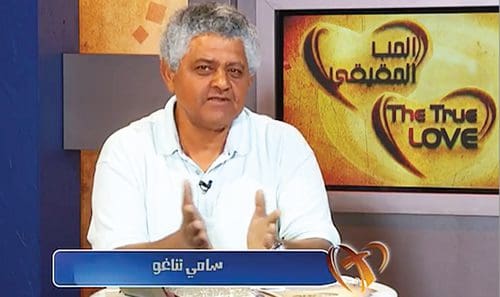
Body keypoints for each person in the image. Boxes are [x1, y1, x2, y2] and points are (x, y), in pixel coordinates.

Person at [87, 2, 340, 251]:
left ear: (249, 80)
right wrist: (175, 248)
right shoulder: (126, 149)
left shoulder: (284, 144)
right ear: (168, 73)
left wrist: (275, 250)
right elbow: (113, 264)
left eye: (235, 71)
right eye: (204, 68)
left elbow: (320, 247)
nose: (222, 82)